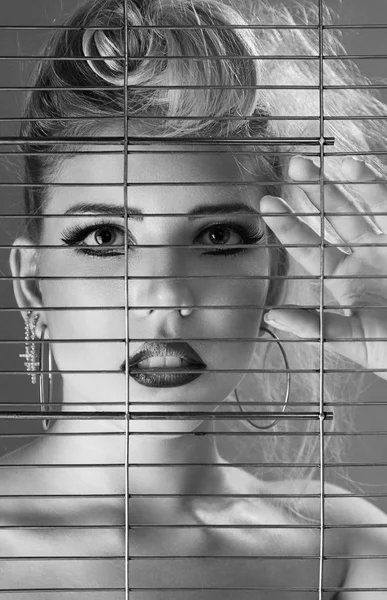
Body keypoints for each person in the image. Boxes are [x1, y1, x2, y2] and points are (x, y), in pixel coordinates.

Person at [2, 0, 387, 596]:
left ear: (275, 278)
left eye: (217, 236)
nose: (168, 294)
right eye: (105, 238)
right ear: (32, 282)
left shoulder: (344, 547)